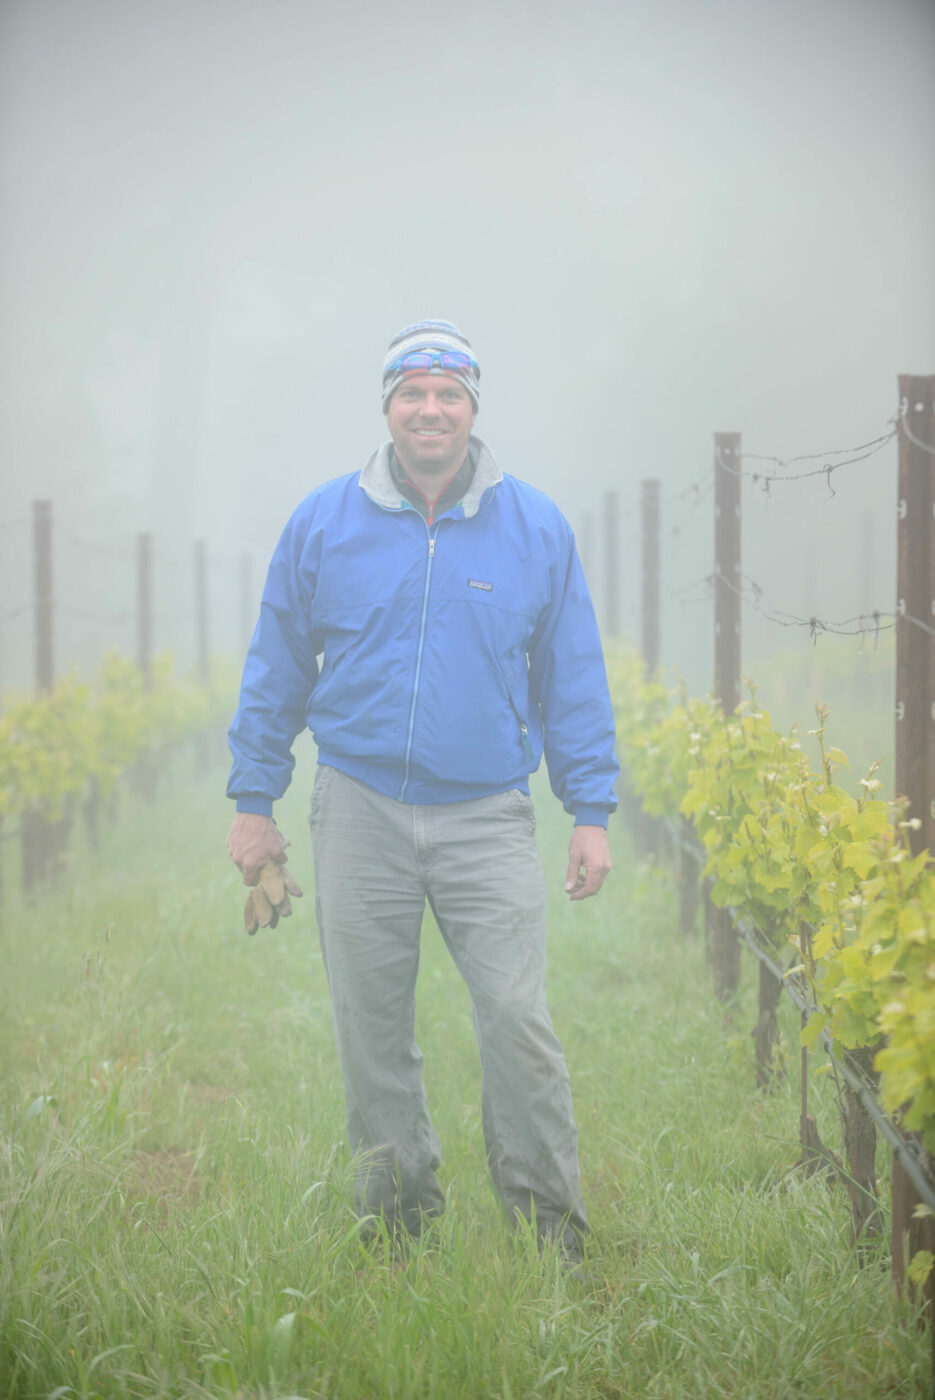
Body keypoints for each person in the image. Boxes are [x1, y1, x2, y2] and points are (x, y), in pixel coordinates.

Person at [226, 319, 618, 1265]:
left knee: (518, 1020)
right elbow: (275, 661)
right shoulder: (323, 520)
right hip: (357, 806)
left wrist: (591, 811)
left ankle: (547, 1233)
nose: (429, 409)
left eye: (448, 393)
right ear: (389, 408)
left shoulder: (535, 527)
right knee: (372, 1029)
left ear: (473, 408)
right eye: (412, 393)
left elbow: (571, 676)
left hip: (487, 814)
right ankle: (396, 1226)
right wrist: (253, 799)